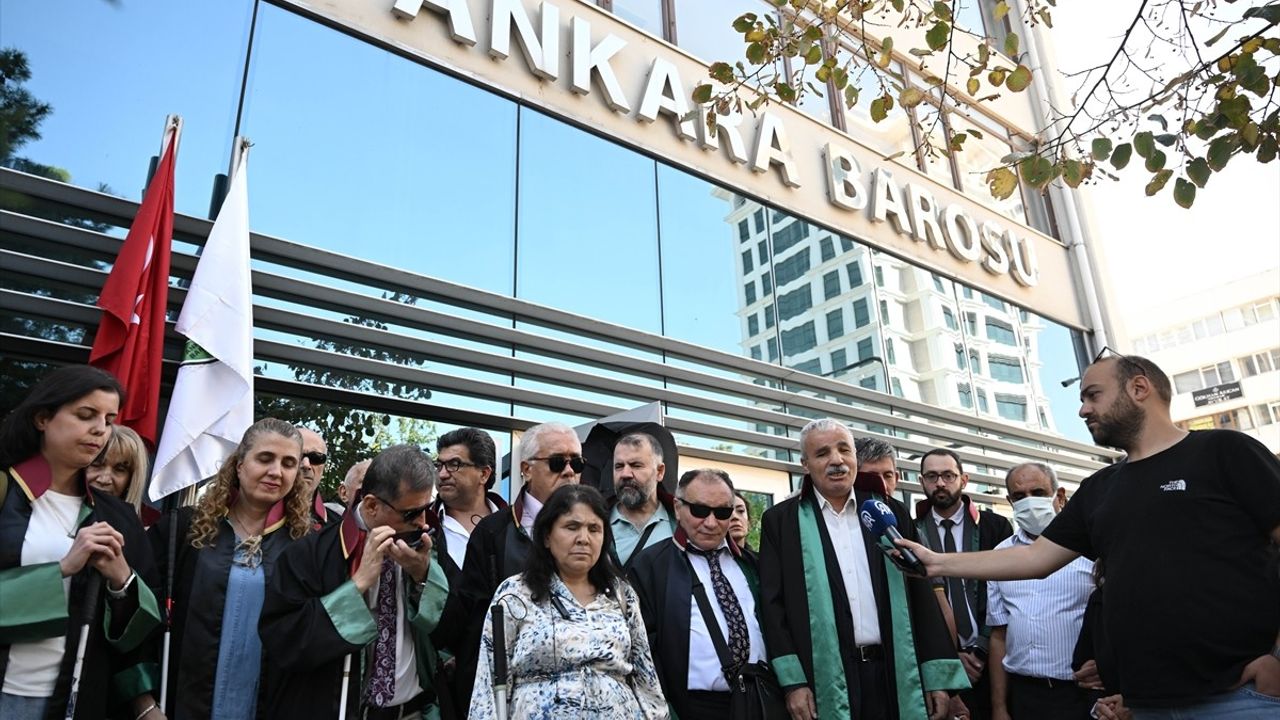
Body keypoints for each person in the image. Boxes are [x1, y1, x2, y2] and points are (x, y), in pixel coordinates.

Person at [897, 353, 1280, 718]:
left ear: (1139, 388)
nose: (1082, 410)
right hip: (1144, 705)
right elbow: (1034, 558)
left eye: (1092, 395)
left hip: (1242, 698)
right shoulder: (1100, 488)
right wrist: (935, 562)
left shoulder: (1223, 451)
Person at [759, 418, 966, 720]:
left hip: (894, 669)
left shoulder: (887, 511)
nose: (837, 460)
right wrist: (794, 683)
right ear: (805, 464)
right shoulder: (781, 521)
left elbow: (919, 593)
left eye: (845, 450)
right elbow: (772, 605)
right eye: (822, 453)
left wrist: (936, 676)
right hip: (822, 677)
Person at [0, 365, 161, 720]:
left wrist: (123, 581)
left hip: (78, 701)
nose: (100, 430)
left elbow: (141, 635)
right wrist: (62, 569)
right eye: (85, 415)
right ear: (43, 418)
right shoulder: (4, 493)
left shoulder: (119, 517)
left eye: (108, 419)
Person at [260, 444, 449, 718]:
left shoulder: (425, 546)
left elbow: (452, 630)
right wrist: (357, 585)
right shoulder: (310, 553)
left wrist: (422, 576)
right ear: (371, 505)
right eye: (410, 513)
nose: (422, 522)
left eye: (427, 509)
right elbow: (284, 641)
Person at [148, 417, 311, 719]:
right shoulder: (182, 529)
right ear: (239, 465)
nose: (276, 472)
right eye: (265, 458)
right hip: (180, 705)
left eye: (289, 463)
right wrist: (144, 705)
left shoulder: (304, 547)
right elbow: (142, 622)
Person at [469, 484, 667, 719]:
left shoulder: (620, 594)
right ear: (546, 537)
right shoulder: (515, 594)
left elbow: (646, 678)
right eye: (571, 527)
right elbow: (488, 682)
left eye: (594, 529)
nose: (583, 539)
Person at [436, 421, 584, 711]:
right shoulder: (492, 533)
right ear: (526, 469)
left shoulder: (595, 528)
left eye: (576, 463)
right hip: (515, 696)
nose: (569, 471)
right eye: (557, 463)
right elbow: (472, 630)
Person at [629, 469, 771, 718]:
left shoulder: (753, 564)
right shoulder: (650, 566)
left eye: (723, 512)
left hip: (759, 701)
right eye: (700, 510)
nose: (711, 522)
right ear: (677, 508)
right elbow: (643, 652)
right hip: (694, 708)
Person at [985, 463, 1094, 720]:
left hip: (1081, 694)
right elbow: (999, 634)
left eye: (1038, 492)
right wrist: (999, 706)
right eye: (1020, 496)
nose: (1029, 502)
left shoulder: (1090, 549)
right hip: (1024, 696)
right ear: (1009, 501)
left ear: (1060, 496)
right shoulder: (1000, 556)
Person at [914, 448, 1013, 720]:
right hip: (938, 664)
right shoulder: (912, 531)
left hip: (992, 657)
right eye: (932, 476)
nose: (940, 483)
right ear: (921, 481)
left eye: (948, 475)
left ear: (964, 479)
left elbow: (1006, 591)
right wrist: (950, 655)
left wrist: (979, 650)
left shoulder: (995, 526)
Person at [431, 427, 507, 582]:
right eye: (439, 465)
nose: (442, 474)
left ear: (484, 474)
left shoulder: (515, 526)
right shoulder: (424, 524)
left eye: (454, 464)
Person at [608, 431, 677, 569]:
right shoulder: (597, 522)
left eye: (636, 465)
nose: (625, 474)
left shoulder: (681, 524)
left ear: (660, 472)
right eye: (619, 466)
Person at [85, 423, 156, 526]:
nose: (104, 479)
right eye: (97, 464)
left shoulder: (144, 527)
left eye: (119, 469)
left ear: (131, 479)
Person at [297, 427, 336, 528]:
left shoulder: (338, 527)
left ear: (324, 466)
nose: (306, 465)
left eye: (316, 458)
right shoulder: (258, 515)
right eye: (297, 456)